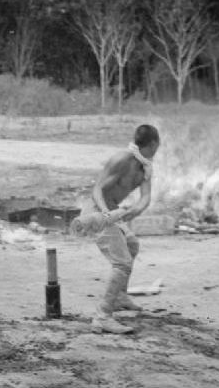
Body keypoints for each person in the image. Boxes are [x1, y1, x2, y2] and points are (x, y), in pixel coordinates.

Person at [71, 124, 160, 334]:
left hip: (112, 212)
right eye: (157, 146)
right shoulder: (123, 160)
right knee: (122, 263)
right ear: (153, 144)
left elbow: (145, 197)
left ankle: (120, 296)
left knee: (132, 245)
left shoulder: (145, 167)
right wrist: (105, 213)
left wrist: (134, 211)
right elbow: (97, 189)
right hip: (97, 212)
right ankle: (102, 316)